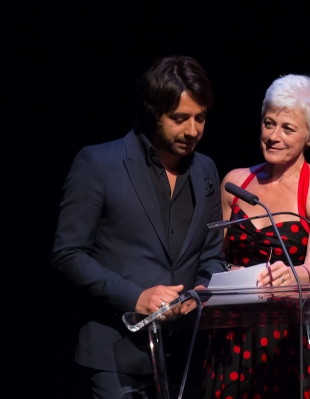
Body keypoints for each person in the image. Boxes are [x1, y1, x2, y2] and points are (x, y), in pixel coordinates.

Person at [51, 55, 225, 398]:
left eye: (200, 118)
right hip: (117, 354)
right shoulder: (99, 163)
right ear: (152, 113)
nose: (192, 131)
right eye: (179, 119)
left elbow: (211, 255)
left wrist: (203, 291)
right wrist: (136, 297)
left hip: (186, 357)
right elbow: (67, 254)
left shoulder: (206, 170)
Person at [201, 74, 310, 398]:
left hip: (289, 336)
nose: (273, 136)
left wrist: (295, 274)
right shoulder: (235, 184)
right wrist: (223, 274)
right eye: (269, 123)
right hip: (233, 332)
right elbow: (213, 255)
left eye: (288, 128)